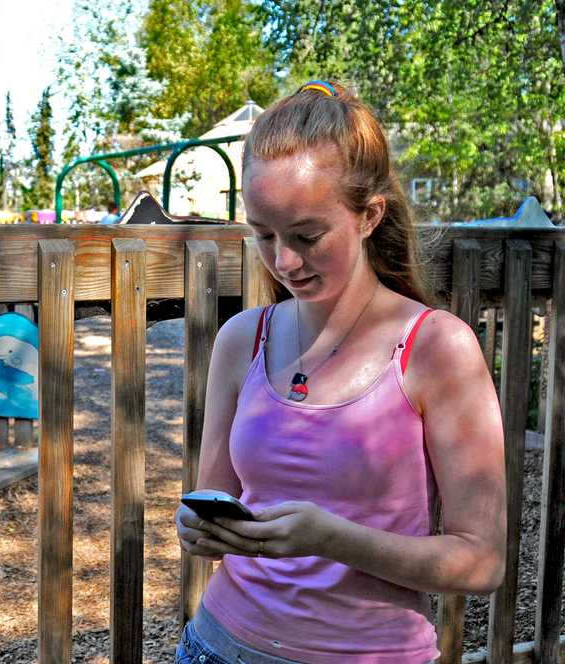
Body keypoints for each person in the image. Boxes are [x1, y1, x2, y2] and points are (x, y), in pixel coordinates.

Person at [174, 80, 505, 663]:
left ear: (370, 215)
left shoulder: (436, 348)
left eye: (307, 235)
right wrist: (200, 528)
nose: (283, 261)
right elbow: (216, 501)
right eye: (263, 234)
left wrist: (329, 539)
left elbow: (481, 562)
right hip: (217, 644)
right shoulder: (241, 339)